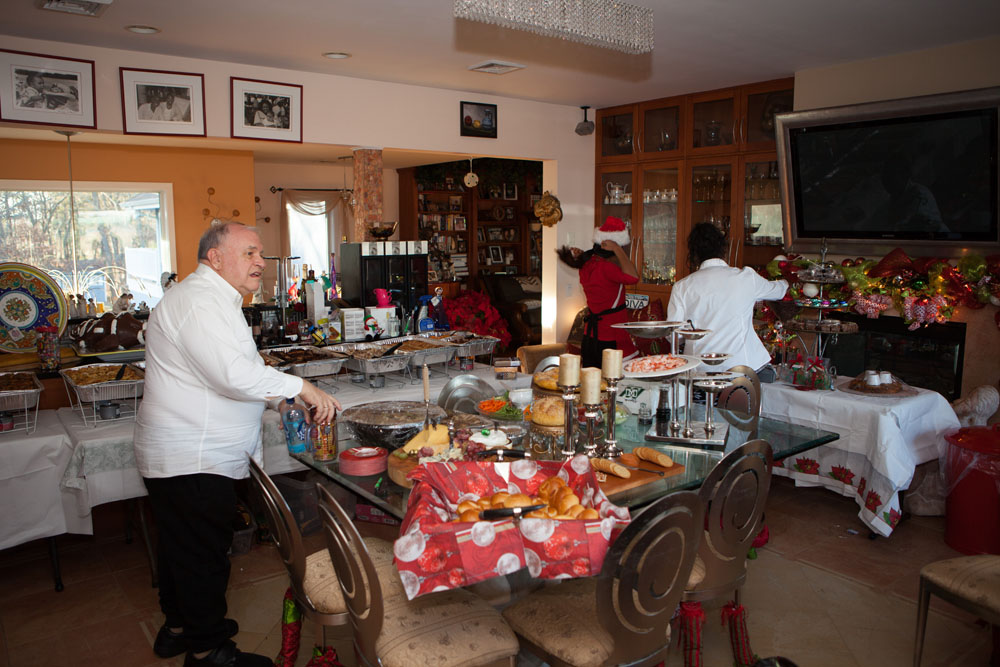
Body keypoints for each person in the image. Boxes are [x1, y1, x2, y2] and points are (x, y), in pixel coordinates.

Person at [134, 220, 340, 667]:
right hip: (194, 454)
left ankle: (177, 630)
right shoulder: (201, 301)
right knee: (202, 557)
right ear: (214, 257)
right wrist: (300, 387)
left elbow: (235, 370)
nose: (260, 263)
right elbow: (230, 374)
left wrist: (278, 399)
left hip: (187, 452)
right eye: (248, 253)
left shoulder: (210, 300)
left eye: (260, 254)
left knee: (180, 551)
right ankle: (210, 651)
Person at [667, 222, 788, 380]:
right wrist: (788, 275)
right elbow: (780, 291)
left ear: (694, 254)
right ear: (724, 249)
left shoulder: (682, 287)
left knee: (701, 405)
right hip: (742, 370)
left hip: (699, 372)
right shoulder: (745, 277)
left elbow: (674, 335)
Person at [557, 216, 639, 368]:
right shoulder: (607, 268)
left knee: (592, 384)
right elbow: (633, 276)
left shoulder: (587, 266)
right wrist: (617, 248)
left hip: (590, 336)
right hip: (610, 335)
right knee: (613, 383)